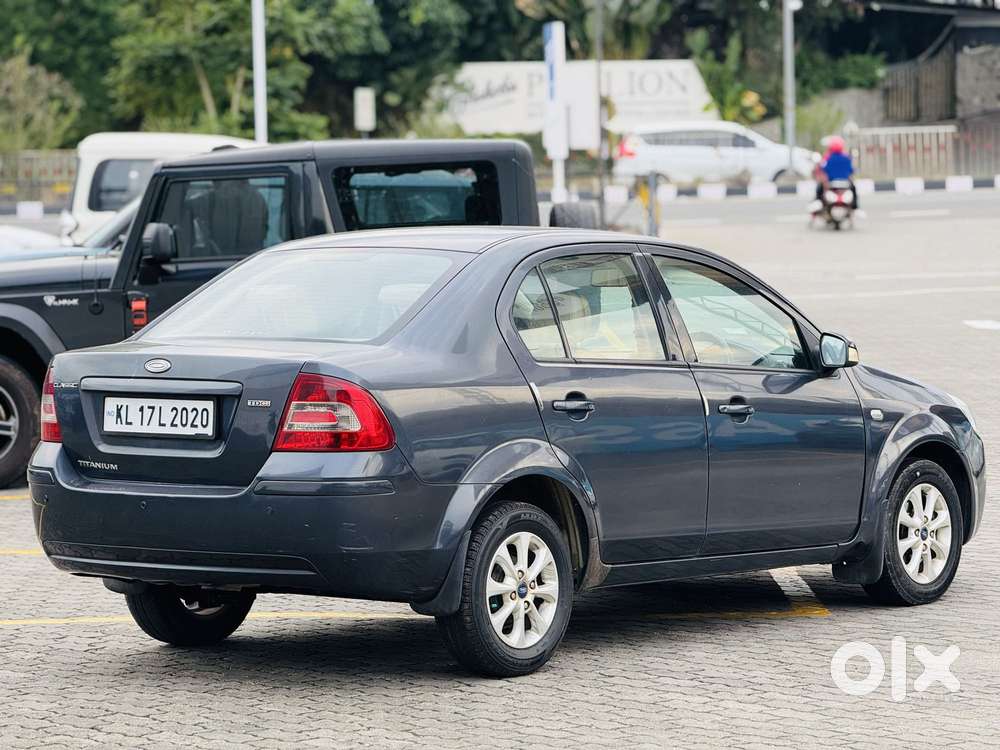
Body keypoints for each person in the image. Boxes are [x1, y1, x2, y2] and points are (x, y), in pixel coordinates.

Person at [813, 135, 858, 210]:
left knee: (819, 187)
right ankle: (855, 206)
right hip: (845, 184)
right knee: (854, 188)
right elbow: (851, 171)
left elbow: (823, 170)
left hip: (831, 183)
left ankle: (818, 201)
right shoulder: (846, 158)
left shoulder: (828, 158)